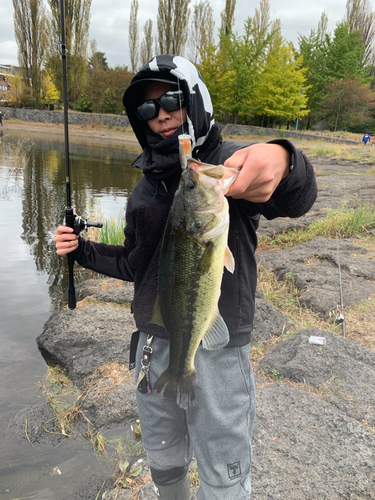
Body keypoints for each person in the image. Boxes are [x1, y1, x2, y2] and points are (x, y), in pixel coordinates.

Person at [54, 55, 317, 500]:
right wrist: (84, 251)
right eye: (146, 110)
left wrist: (285, 159)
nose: (160, 115)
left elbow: (296, 196)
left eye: (171, 99)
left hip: (217, 348)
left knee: (223, 471)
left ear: (193, 98)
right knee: (164, 458)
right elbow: (136, 265)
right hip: (154, 347)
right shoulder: (144, 189)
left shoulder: (225, 166)